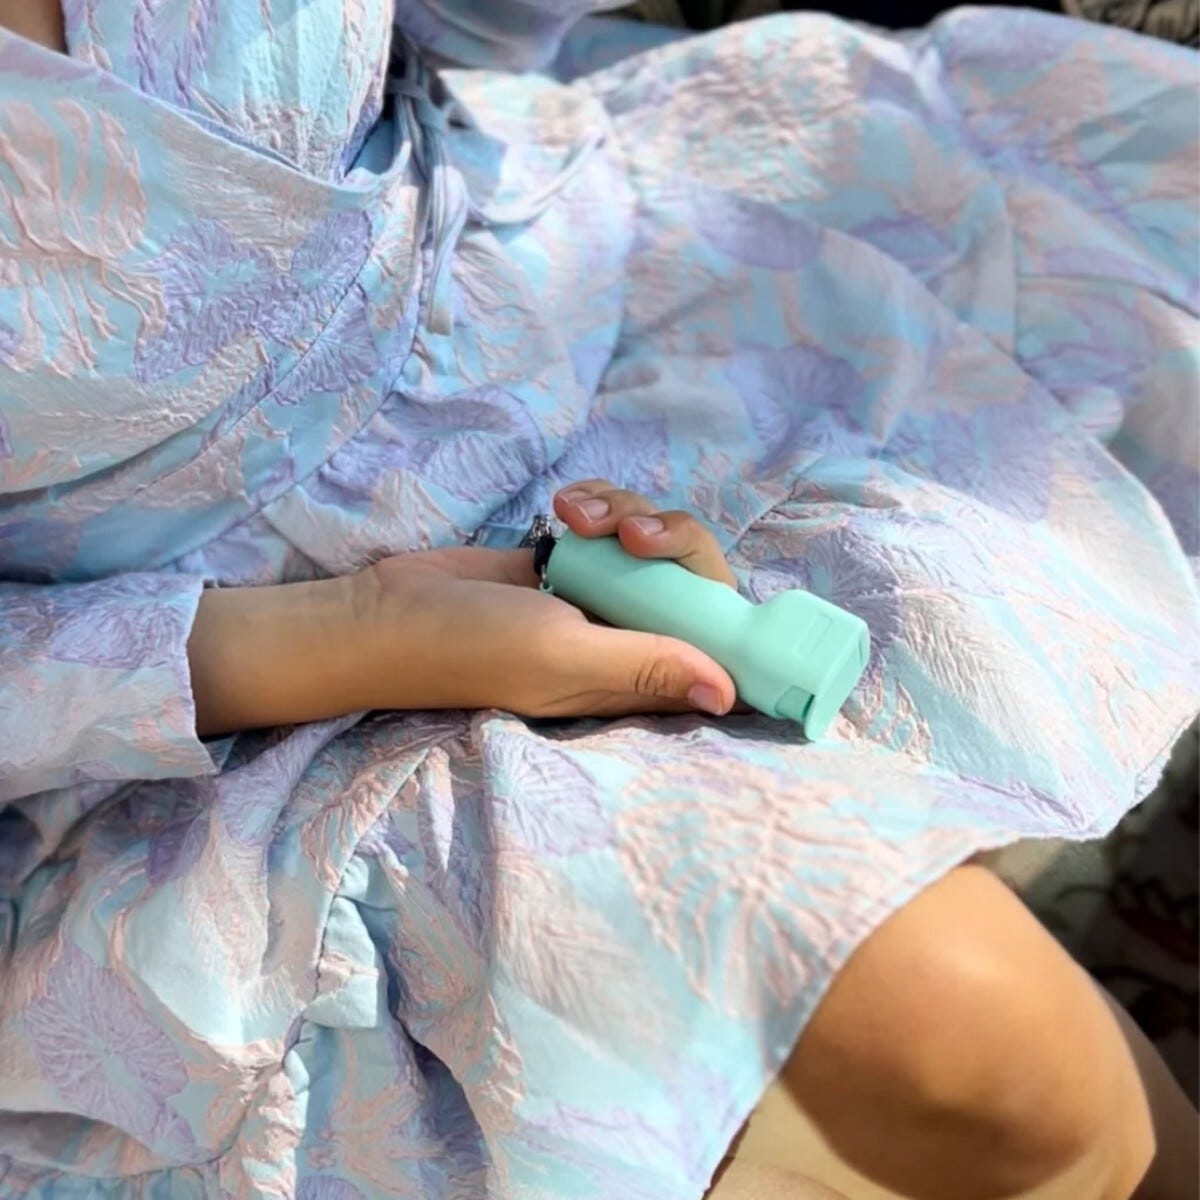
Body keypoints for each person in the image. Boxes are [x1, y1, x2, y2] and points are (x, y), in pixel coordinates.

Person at [0, 3, 1196, 1198]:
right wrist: (361, 637)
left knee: (992, 1052)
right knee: (969, 1039)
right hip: (199, 696)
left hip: (594, 310)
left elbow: (464, 31)